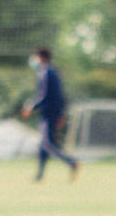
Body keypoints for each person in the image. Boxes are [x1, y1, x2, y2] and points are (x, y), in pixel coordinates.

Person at [20, 47, 80, 182]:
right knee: (43, 144)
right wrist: (62, 113)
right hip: (52, 112)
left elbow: (43, 95)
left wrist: (30, 107)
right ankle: (39, 175)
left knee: (47, 144)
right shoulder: (53, 71)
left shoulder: (46, 72)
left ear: (41, 57)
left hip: (49, 113)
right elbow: (60, 95)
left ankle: (71, 162)